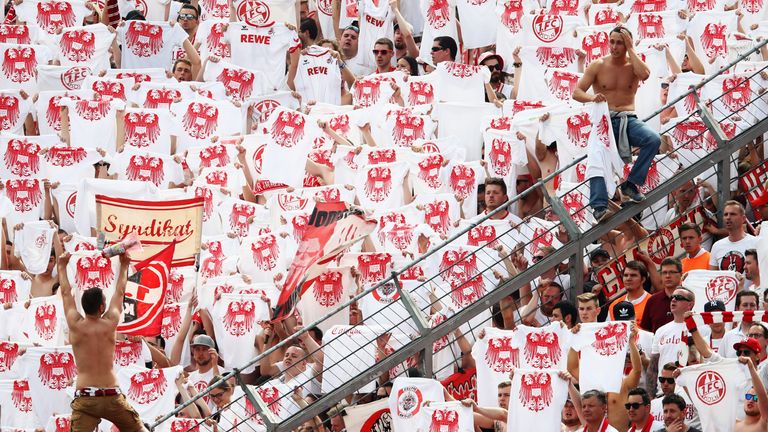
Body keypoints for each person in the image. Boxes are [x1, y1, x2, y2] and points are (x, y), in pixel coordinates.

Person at [572, 26, 660, 222]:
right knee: (596, 158)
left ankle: (631, 184)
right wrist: (591, 98)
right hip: (604, 120)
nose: (614, 46)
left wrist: (631, 49)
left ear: (628, 43)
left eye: (619, 42)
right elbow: (577, 92)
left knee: (653, 139)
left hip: (628, 118)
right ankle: (599, 207)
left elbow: (645, 74)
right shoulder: (597, 64)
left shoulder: (634, 65)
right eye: (611, 41)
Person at [58, 251, 146, 432]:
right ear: (102, 307)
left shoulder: (75, 324)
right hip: (112, 396)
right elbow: (120, 291)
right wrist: (123, 265)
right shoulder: (110, 322)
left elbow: (66, 292)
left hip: (86, 398)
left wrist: (62, 265)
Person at [709, 200, 758, 273]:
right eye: (725, 214)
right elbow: (712, 277)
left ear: (743, 219)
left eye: (733, 214)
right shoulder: (717, 246)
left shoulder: (756, 243)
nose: (728, 217)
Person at [609, 261, 651, 325]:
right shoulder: (614, 305)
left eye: (633, 275)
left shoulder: (653, 302)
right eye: (625, 275)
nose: (628, 278)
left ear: (643, 279)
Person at [735, 356, 768, 432]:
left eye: (755, 398)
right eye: (748, 396)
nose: (751, 400)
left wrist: (750, 367)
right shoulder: (733, 424)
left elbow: (762, 397)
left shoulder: (763, 424)